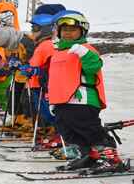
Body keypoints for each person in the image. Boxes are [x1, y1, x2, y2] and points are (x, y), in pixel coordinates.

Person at [49, 11, 127, 173]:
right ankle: (89, 156)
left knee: (89, 129)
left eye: (73, 30)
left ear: (82, 32)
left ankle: (110, 158)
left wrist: (83, 53)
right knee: (67, 130)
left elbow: (94, 67)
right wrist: (53, 100)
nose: (68, 33)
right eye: (65, 30)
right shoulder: (58, 53)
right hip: (62, 101)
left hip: (82, 99)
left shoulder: (85, 49)